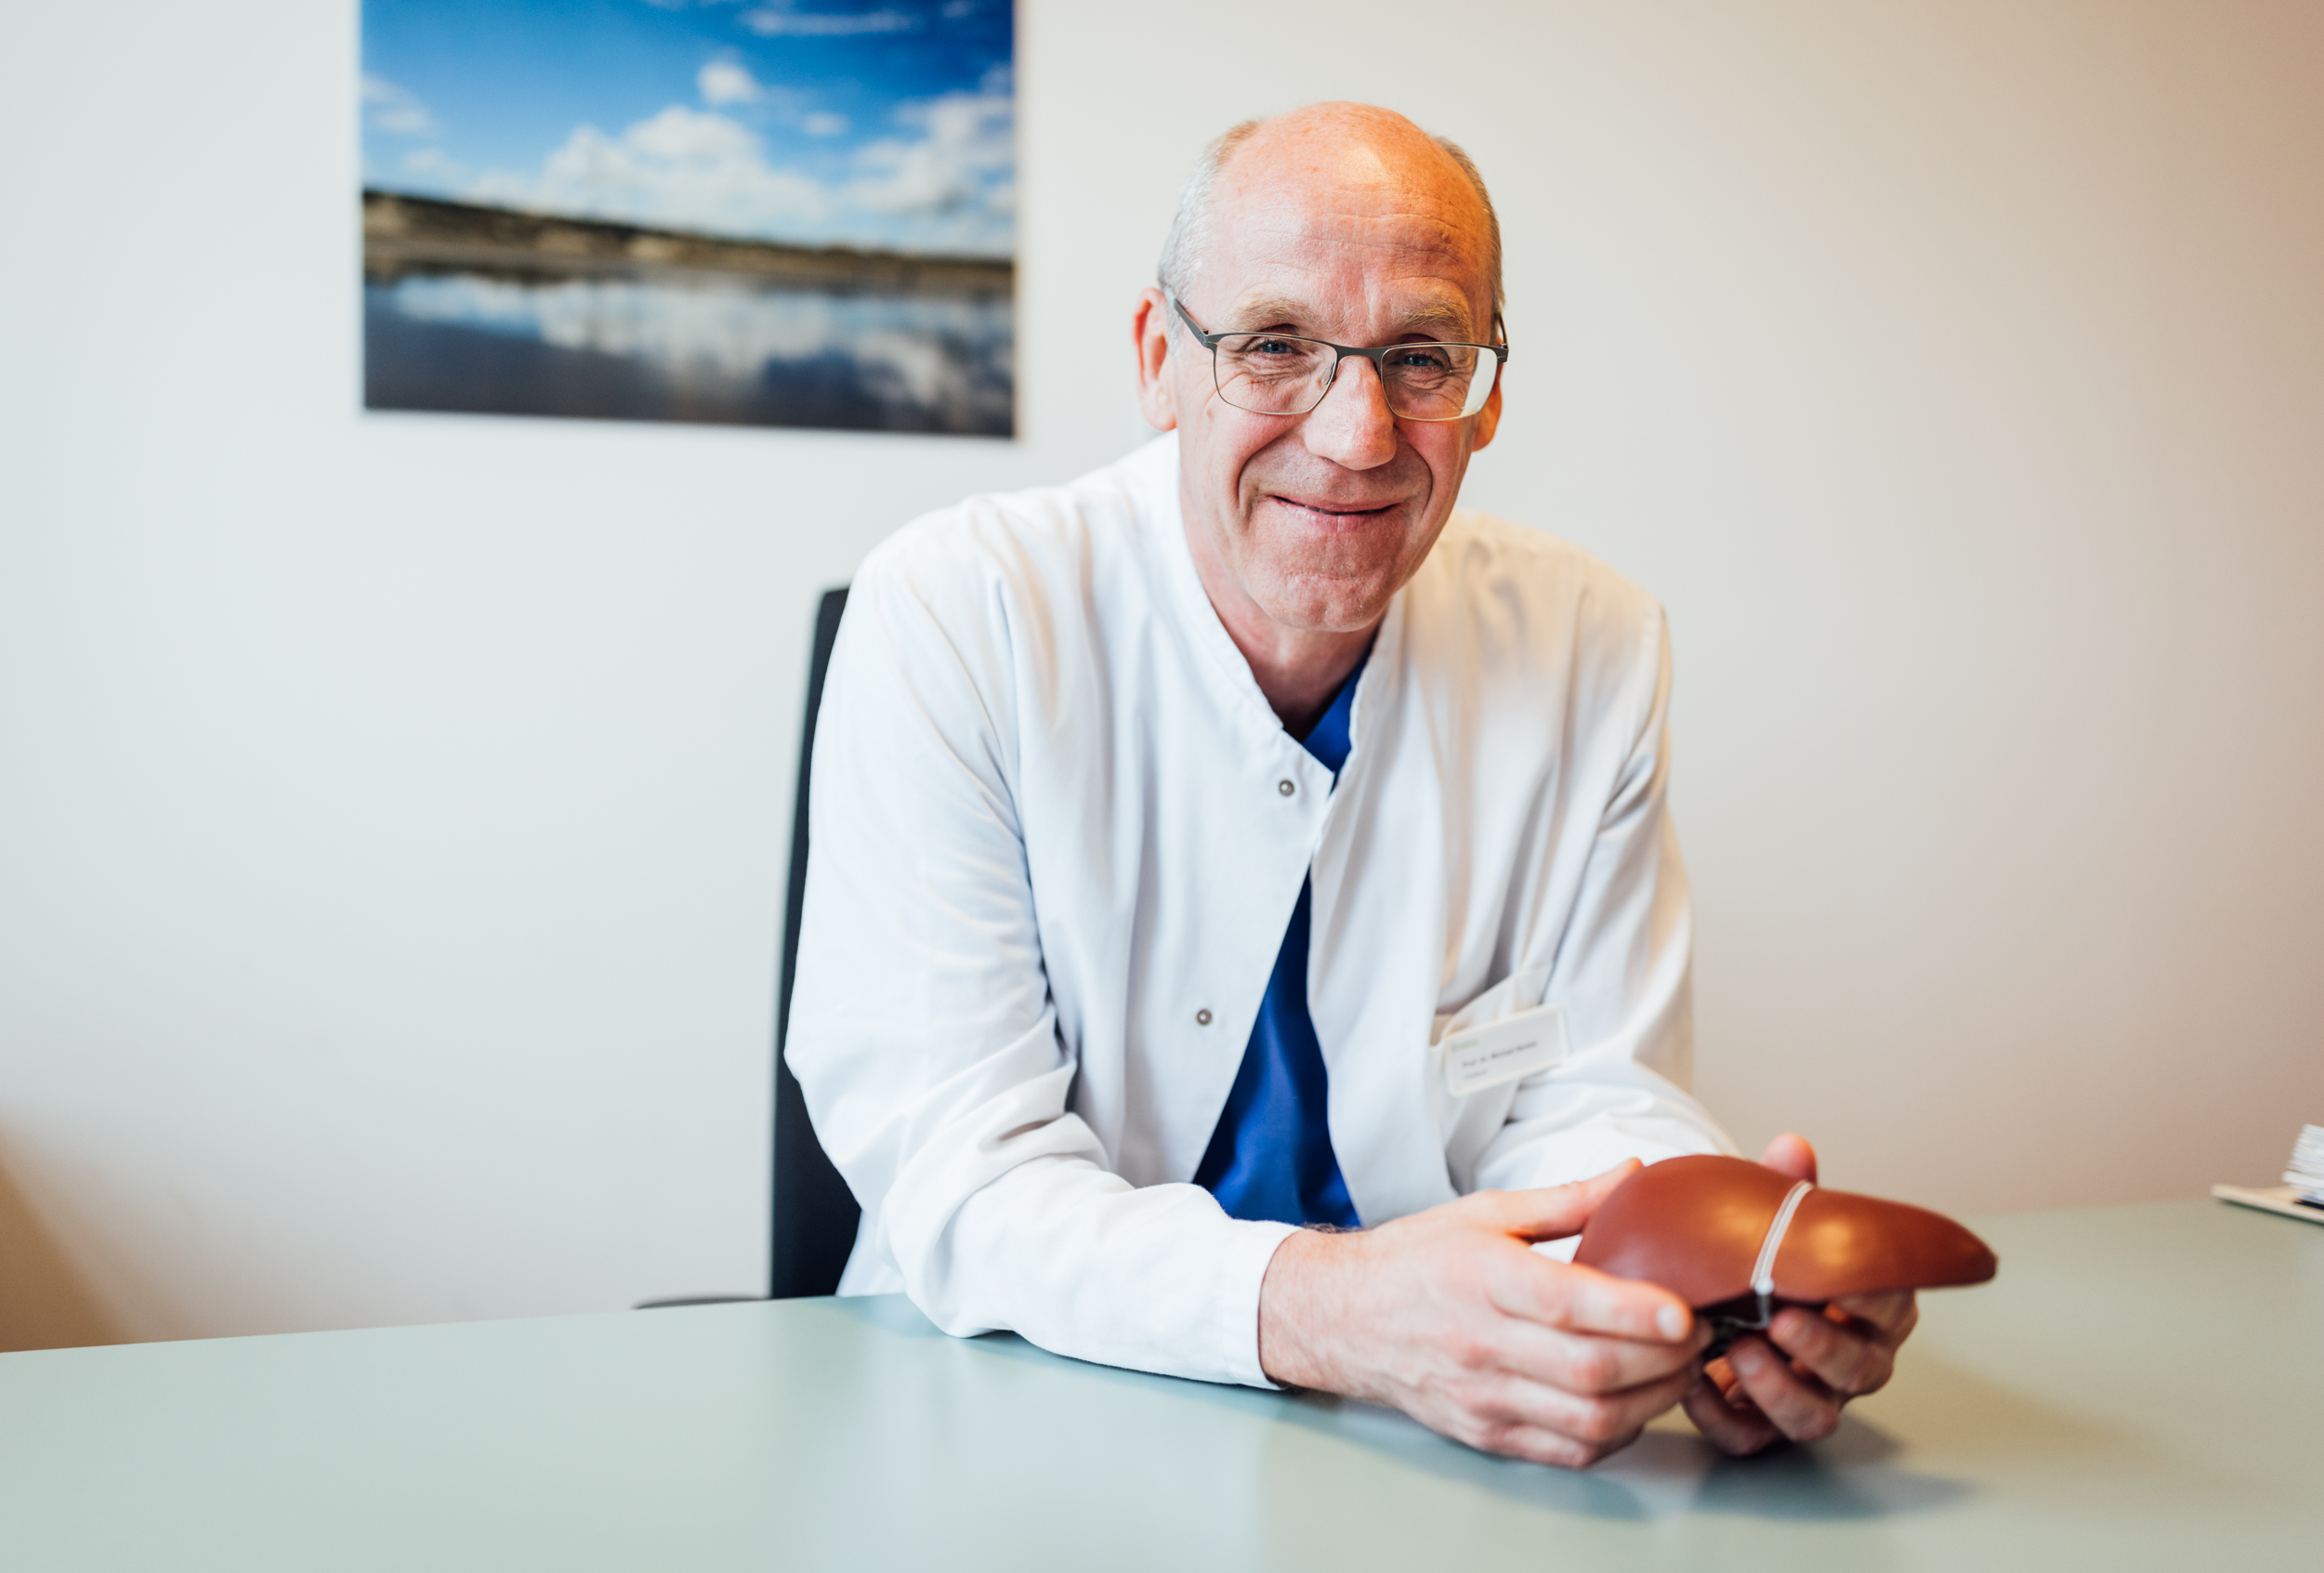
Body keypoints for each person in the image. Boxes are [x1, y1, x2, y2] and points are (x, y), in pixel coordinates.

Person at [787, 102, 1917, 1468]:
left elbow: (1592, 1093)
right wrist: (1333, 1312)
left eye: (1421, 357)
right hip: (1000, 1427)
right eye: (1274, 345)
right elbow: (960, 1171)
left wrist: (1706, 1287)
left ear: (1487, 394)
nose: (1356, 433)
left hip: (1427, 1440)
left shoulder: (1592, 645)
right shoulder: (958, 611)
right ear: (1159, 361)